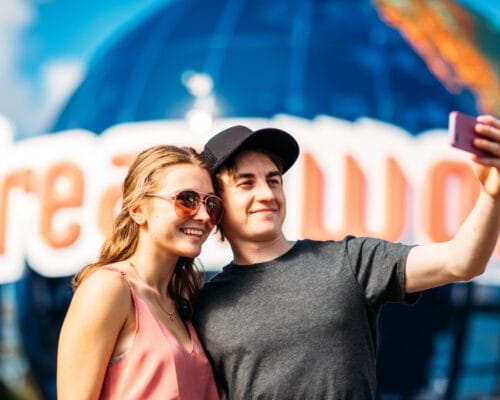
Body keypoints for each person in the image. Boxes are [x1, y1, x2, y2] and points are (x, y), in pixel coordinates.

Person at [194, 116, 500, 399]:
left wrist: (492, 194)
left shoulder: (351, 260)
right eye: (246, 183)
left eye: (273, 180)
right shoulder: (202, 306)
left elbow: (461, 261)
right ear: (215, 203)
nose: (266, 193)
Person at [57, 145, 222, 399]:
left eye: (211, 204)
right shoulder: (108, 289)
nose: (203, 216)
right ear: (137, 210)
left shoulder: (182, 304)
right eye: (186, 199)